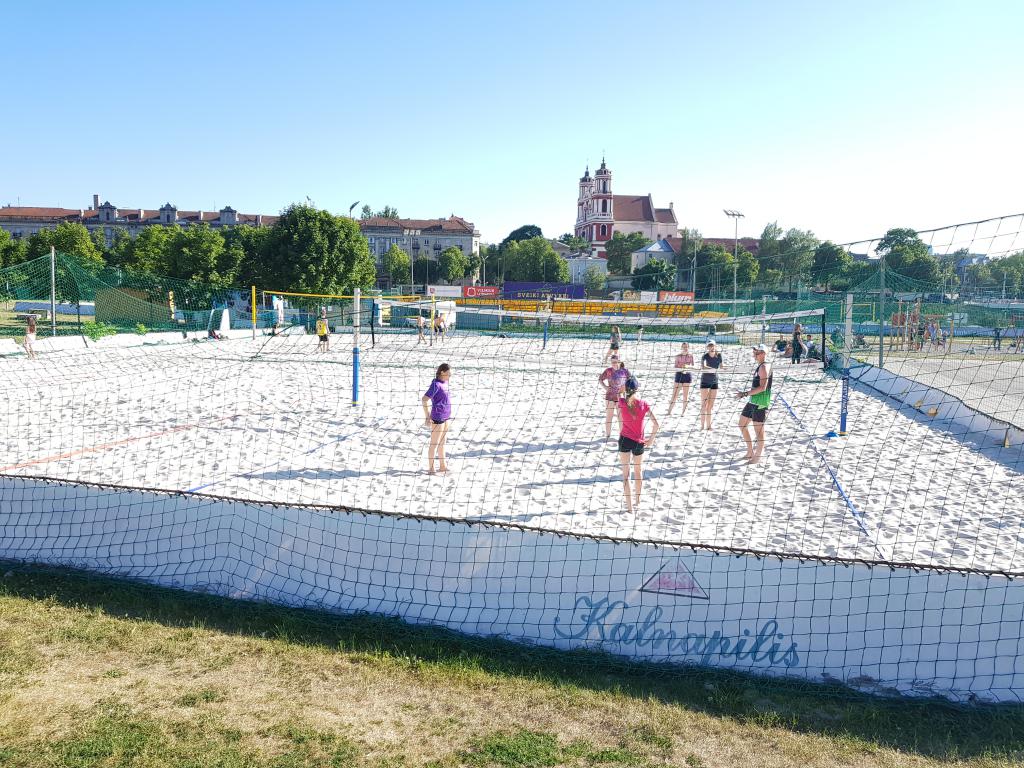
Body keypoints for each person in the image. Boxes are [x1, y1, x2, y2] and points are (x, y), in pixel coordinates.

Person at [617, 376, 659, 514]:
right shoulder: (643, 404)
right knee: (638, 472)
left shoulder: (622, 402)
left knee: (625, 475)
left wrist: (621, 390)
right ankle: (638, 501)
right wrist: (651, 440)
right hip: (639, 442)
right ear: (637, 389)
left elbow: (619, 394)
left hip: (624, 440)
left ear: (625, 389)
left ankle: (629, 508)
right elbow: (656, 425)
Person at [736, 344, 773, 464]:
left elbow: (763, 387)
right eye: (754, 352)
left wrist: (745, 393)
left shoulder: (764, 367)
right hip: (753, 401)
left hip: (760, 403)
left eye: (757, 352)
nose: (754, 354)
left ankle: (757, 457)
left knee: (759, 432)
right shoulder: (760, 366)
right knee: (742, 424)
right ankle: (750, 452)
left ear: (763, 354)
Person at [422, 363, 452, 474]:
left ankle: (443, 466)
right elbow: (424, 399)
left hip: (447, 416)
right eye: (449, 373)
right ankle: (431, 468)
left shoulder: (446, 382)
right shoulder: (436, 384)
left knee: (443, 443)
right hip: (437, 417)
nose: (450, 375)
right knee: (434, 443)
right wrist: (427, 416)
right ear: (442, 372)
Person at [599, 356, 631, 439]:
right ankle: (608, 436)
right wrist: (605, 387)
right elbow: (600, 379)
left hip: (620, 396)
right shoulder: (608, 371)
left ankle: (622, 436)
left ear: (619, 362)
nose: (613, 363)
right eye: (612, 362)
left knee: (621, 417)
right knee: (609, 416)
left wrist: (625, 390)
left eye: (615, 362)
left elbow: (630, 381)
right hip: (609, 396)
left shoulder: (624, 371)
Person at [699, 340, 724, 430]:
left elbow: (721, 367)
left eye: (712, 345)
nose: (711, 347)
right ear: (707, 347)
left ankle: (709, 426)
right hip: (705, 381)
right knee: (704, 405)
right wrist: (714, 369)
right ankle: (702, 426)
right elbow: (703, 366)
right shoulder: (705, 356)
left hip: (714, 381)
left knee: (710, 406)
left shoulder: (719, 355)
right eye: (709, 346)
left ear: (715, 346)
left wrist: (725, 368)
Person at [667, 342, 694, 416]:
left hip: (687, 375)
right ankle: (669, 411)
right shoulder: (678, 356)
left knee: (685, 395)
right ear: (681, 348)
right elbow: (675, 367)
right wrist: (680, 367)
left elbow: (693, 366)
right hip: (679, 374)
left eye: (686, 347)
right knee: (675, 394)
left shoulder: (691, 356)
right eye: (684, 347)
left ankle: (683, 412)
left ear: (688, 348)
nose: (685, 348)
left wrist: (687, 367)